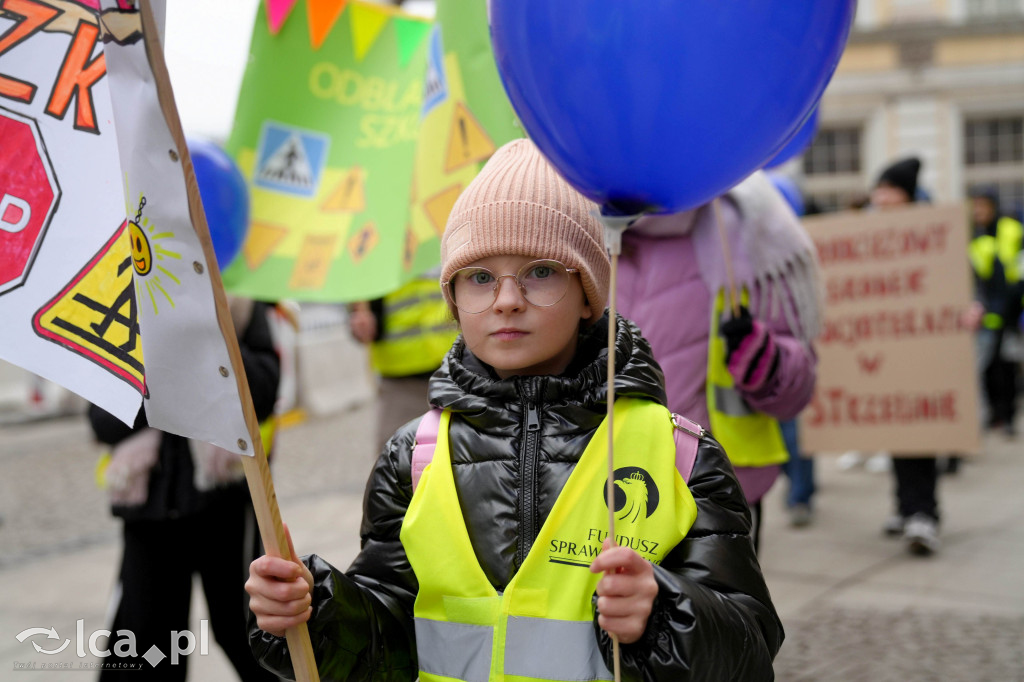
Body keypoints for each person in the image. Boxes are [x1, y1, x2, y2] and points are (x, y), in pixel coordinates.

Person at [246, 139, 783, 681]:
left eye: (540, 271)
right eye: (480, 277)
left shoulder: (682, 457)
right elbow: (388, 639)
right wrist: (315, 614)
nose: (506, 299)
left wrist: (664, 615)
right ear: (454, 299)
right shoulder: (412, 459)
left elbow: (751, 649)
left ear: (588, 292)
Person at [616, 170, 821, 549]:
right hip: (603, 486)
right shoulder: (575, 229)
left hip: (717, 487)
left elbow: (799, 384)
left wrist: (766, 361)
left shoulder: (747, 231)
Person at [89, 298, 281, 682]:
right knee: (147, 647)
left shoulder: (235, 296)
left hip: (223, 502)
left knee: (248, 635)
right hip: (150, 512)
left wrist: (209, 342)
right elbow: (102, 421)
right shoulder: (116, 305)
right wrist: (162, 374)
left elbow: (263, 390)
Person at [868, 157, 943, 556]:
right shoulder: (867, 232)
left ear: (905, 194)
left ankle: (925, 512)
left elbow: (954, 282)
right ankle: (904, 505)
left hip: (922, 350)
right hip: (886, 350)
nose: (879, 197)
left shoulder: (932, 232)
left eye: (887, 189)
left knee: (920, 430)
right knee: (896, 428)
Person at [348, 271, 458, 450]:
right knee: (397, 458)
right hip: (401, 382)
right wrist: (360, 324)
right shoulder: (372, 263)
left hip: (456, 371)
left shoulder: (446, 246)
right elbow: (361, 319)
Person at [965, 187, 1023, 438]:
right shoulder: (972, 236)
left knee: (1007, 367)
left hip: (1011, 310)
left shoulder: (1012, 230)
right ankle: (995, 415)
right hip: (986, 314)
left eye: (983, 205)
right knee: (989, 369)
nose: (978, 211)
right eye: (975, 206)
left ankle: (1008, 416)